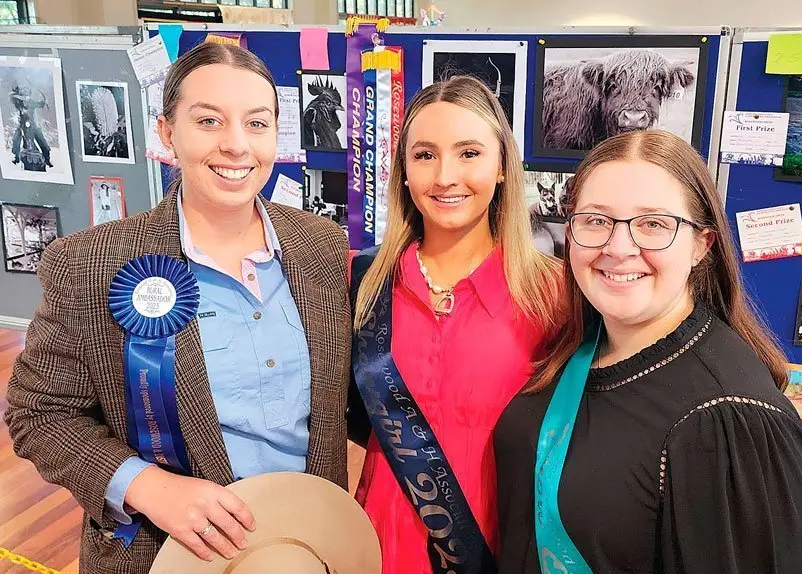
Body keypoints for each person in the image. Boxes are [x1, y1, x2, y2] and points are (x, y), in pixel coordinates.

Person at [4, 42, 351, 574]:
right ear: (167, 133)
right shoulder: (91, 265)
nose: (236, 145)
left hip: (307, 546)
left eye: (256, 123)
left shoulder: (320, 245)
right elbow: (38, 415)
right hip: (167, 554)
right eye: (209, 121)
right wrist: (147, 485)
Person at [494, 131, 802, 573]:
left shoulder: (730, 419)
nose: (618, 248)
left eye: (653, 224)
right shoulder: (578, 344)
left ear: (701, 245)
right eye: (596, 220)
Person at [347, 75, 562, 573]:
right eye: (425, 155)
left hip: (497, 550)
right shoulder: (363, 279)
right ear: (403, 171)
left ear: (502, 166)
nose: (445, 176)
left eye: (469, 153)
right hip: (377, 548)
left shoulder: (554, 294)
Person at [10, 85, 52, 168]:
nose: (26, 97)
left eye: (27, 95)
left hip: (33, 125)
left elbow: (40, 104)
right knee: (16, 139)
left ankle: (47, 159)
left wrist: (44, 102)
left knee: (42, 141)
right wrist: (18, 96)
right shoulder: (19, 102)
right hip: (22, 126)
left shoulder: (31, 103)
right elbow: (11, 97)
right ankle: (16, 157)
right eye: (24, 95)